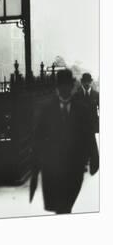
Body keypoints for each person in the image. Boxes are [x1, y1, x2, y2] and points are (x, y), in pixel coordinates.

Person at [30, 69, 99, 214]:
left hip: (74, 168)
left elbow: (89, 136)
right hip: (52, 169)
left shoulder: (82, 110)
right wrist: (35, 173)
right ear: (57, 87)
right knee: (62, 208)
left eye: (67, 85)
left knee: (65, 206)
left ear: (72, 86)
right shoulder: (46, 110)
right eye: (61, 85)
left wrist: (94, 158)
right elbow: (38, 141)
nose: (64, 89)